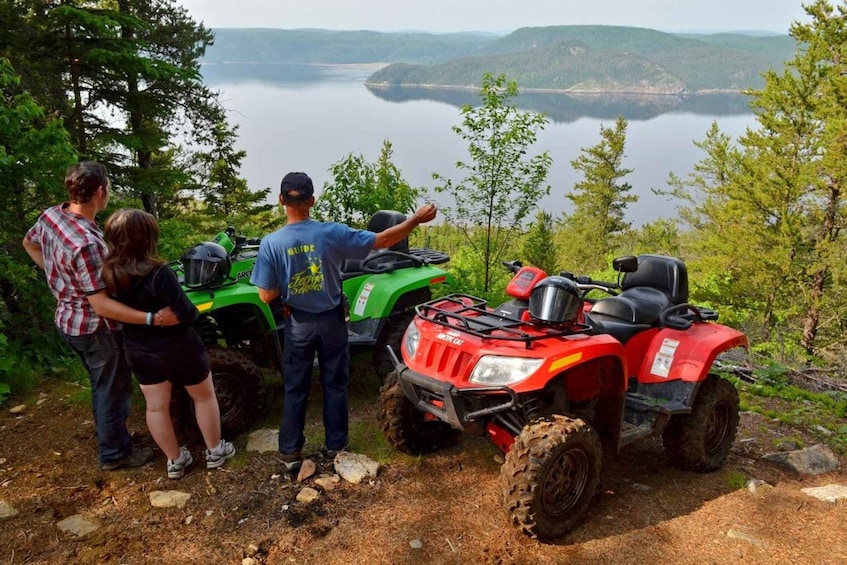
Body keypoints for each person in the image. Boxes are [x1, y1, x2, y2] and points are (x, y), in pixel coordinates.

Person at [250, 171, 437, 471]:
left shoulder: (271, 244)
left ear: (281, 200)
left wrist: (288, 286)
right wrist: (415, 219)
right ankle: (336, 445)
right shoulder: (331, 233)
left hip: (299, 324)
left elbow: (264, 295)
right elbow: (382, 240)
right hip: (333, 322)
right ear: (311, 200)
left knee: (296, 387)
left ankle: (289, 452)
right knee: (335, 384)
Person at [22, 161, 178, 471]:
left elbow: (29, 243)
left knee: (100, 383)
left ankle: (112, 436)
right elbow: (103, 306)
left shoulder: (53, 216)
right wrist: (153, 319)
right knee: (113, 389)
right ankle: (115, 454)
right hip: (95, 328)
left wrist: (58, 276)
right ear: (100, 192)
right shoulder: (88, 244)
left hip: (67, 320)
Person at [101, 209, 236, 479]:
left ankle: (175, 460)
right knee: (204, 396)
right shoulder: (160, 273)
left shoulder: (108, 274)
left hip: (138, 349)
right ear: (148, 238)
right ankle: (214, 450)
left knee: (155, 407)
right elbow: (187, 312)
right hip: (178, 348)